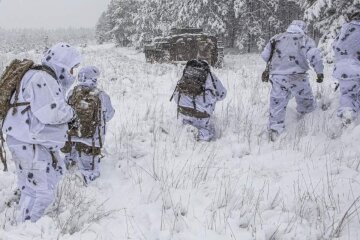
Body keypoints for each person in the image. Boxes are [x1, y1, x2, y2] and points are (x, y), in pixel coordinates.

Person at [2, 42, 81, 222]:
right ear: (62, 64)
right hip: (29, 144)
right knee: (41, 194)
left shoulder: (36, 75)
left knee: (41, 183)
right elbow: (52, 112)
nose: (72, 75)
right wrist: (72, 114)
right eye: (71, 69)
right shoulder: (42, 78)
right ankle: (27, 228)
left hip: (28, 142)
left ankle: (22, 218)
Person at [261, 20, 324, 141]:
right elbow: (314, 56)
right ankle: (306, 124)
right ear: (303, 28)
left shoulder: (276, 38)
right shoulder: (305, 39)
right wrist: (319, 72)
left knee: (277, 104)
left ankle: (275, 131)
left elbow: (265, 56)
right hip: (298, 77)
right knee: (306, 102)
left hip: (278, 77)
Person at [63, 66, 115, 185]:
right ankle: (88, 184)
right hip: (92, 140)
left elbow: (64, 113)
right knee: (89, 168)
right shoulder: (101, 95)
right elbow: (109, 115)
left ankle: (68, 176)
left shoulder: (72, 93)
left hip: (72, 137)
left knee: (70, 162)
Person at [171, 59, 226, 141]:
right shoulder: (210, 76)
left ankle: (187, 131)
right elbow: (222, 95)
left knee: (186, 122)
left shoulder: (186, 75)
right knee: (208, 131)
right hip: (202, 114)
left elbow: (176, 97)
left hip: (183, 110)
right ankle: (202, 135)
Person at [333, 12, 360, 125]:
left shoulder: (344, 29)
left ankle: (346, 115)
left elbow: (334, 46)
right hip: (355, 67)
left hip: (341, 67)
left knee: (347, 94)